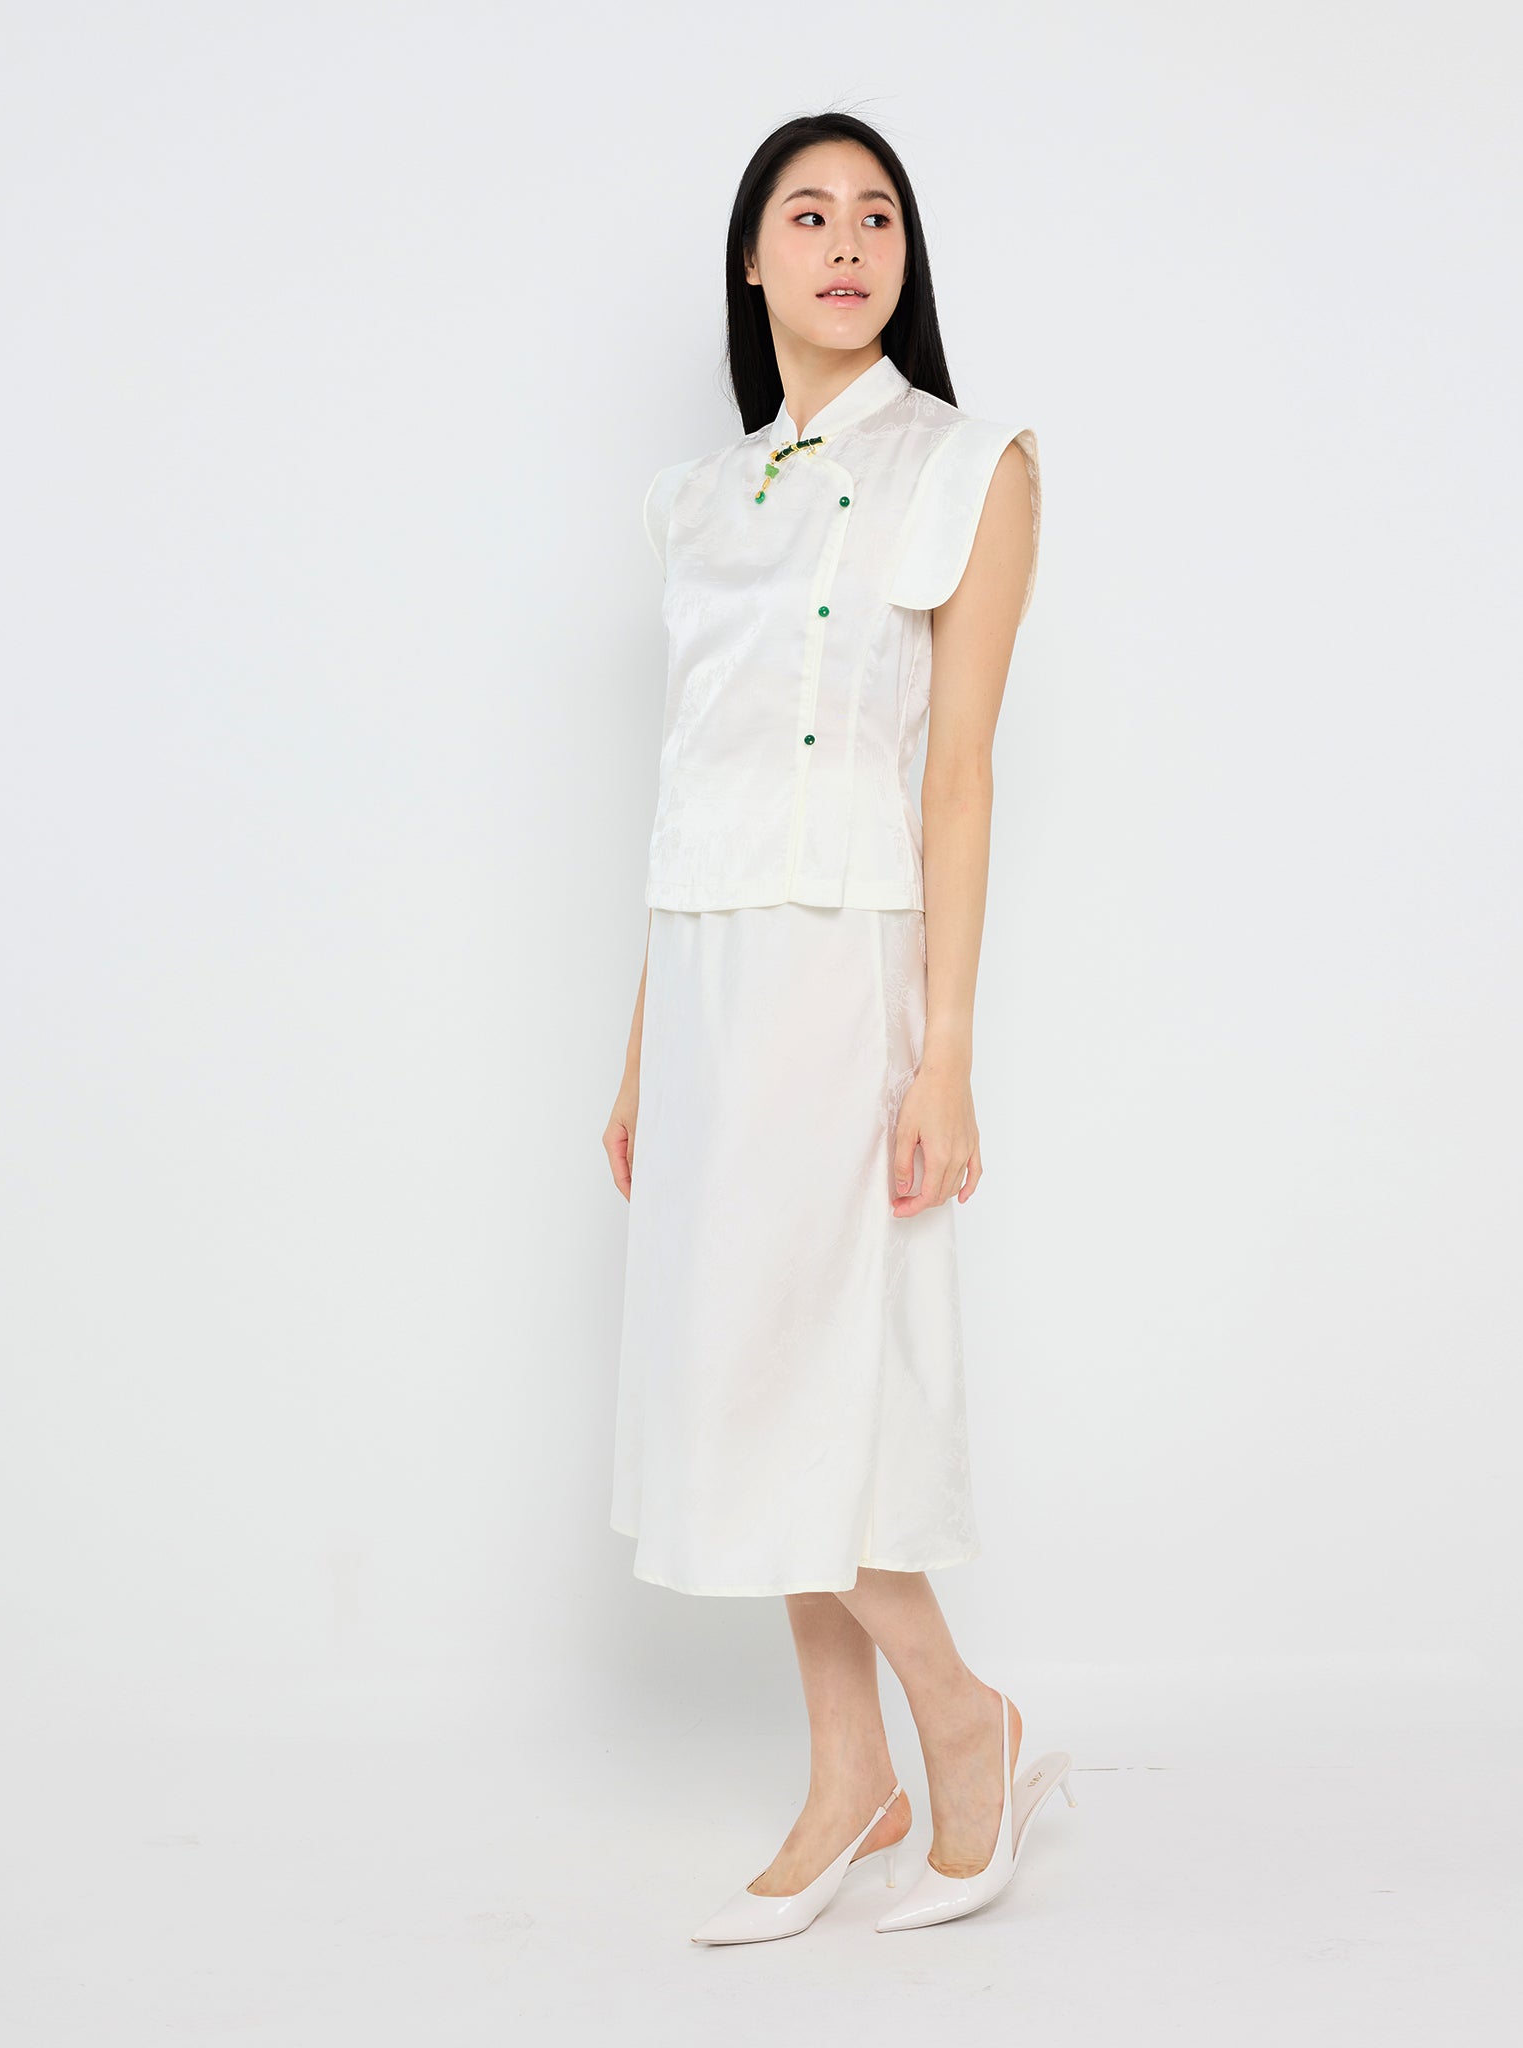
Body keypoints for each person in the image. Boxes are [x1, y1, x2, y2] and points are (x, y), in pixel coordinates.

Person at [601, 111, 1072, 1944]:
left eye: (878, 215)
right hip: (708, 973)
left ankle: (961, 1720)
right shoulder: (698, 500)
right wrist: (643, 1046)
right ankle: (848, 1772)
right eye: (809, 215)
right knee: (746, 1376)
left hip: (846, 966)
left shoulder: (968, 467)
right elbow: (688, 788)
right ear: (753, 259)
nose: (849, 242)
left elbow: (957, 777)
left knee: (807, 1371)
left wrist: (946, 1051)